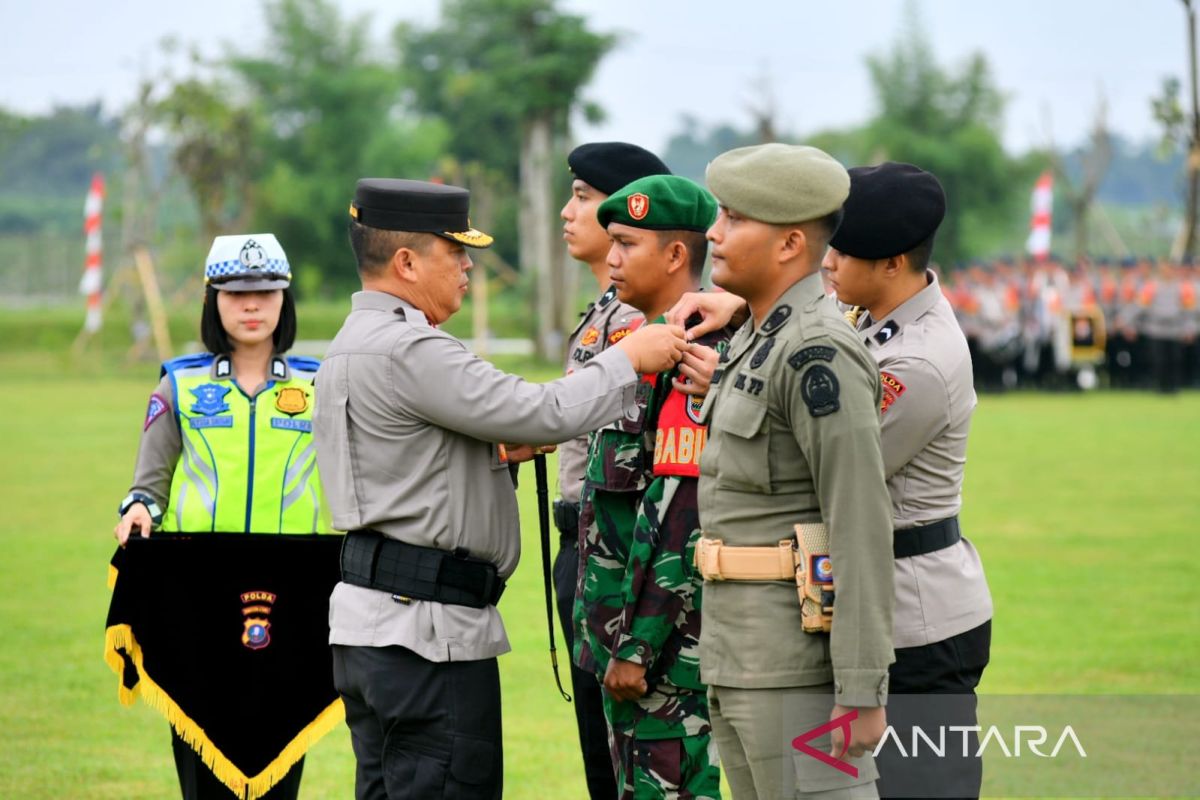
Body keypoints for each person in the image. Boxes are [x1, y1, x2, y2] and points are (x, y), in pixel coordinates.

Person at [311, 178, 689, 800]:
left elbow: (411, 459)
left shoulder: (350, 345)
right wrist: (630, 359)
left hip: (374, 630)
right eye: (454, 251)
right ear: (406, 262)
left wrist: (492, 451)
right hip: (428, 636)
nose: (466, 266)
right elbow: (538, 411)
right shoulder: (412, 349)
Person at [681, 144, 895, 799]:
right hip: (737, 654)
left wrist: (861, 687)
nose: (713, 232)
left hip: (794, 671)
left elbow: (859, 519)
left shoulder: (815, 351)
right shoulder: (760, 334)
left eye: (735, 217)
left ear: (789, 244)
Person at [113, 233, 327, 799]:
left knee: (282, 755)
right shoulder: (179, 384)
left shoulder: (322, 385)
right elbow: (148, 483)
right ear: (213, 300)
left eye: (264, 292)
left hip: (292, 598)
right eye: (235, 294)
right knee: (202, 768)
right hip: (198, 594)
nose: (251, 305)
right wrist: (138, 509)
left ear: (284, 299)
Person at [822, 163, 992, 798]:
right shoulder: (874, 318)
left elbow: (828, 470)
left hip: (917, 625)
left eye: (843, 249)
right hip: (887, 609)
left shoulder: (915, 360)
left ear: (893, 262)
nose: (829, 261)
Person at [575, 174, 725, 798]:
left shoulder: (694, 349)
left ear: (674, 256)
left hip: (665, 658)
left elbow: (680, 516)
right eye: (611, 242)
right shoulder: (638, 345)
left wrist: (637, 646)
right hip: (621, 642)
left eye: (628, 244)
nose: (611, 258)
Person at [557, 141, 671, 799]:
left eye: (581, 197)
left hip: (621, 552)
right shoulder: (607, 310)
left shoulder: (639, 316)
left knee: (629, 762)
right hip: (587, 540)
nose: (569, 214)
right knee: (604, 753)